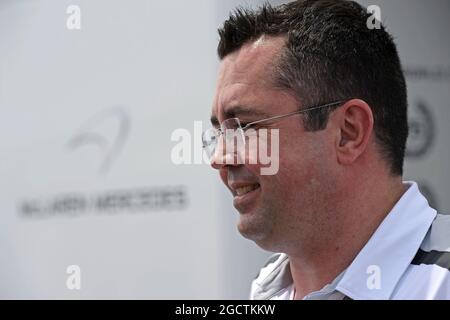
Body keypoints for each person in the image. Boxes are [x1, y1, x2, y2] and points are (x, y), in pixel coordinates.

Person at [203, 0, 450, 300]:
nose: (220, 159)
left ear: (348, 132)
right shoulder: (267, 289)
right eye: (219, 134)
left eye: (245, 127)